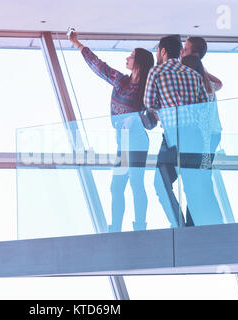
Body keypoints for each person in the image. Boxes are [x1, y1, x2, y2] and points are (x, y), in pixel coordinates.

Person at [68, 31, 154, 232]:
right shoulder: (121, 81)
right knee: (116, 187)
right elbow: (99, 66)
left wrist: (135, 119)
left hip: (138, 140)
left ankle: (139, 227)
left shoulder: (147, 88)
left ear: (139, 62)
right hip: (122, 142)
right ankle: (115, 228)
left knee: (135, 182)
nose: (127, 58)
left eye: (131, 56)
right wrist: (77, 43)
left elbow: (153, 119)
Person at [144, 35, 223, 227]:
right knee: (192, 185)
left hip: (174, 135)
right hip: (194, 135)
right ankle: (195, 229)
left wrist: (164, 108)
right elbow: (205, 103)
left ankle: (178, 224)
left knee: (161, 183)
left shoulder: (156, 71)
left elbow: (148, 103)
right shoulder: (193, 74)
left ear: (163, 51)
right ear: (179, 51)